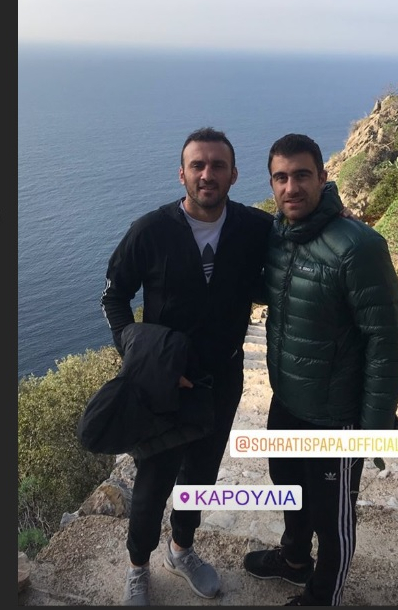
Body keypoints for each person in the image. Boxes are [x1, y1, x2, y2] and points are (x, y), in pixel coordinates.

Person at [100, 127, 273, 605]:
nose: (207, 174)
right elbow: (114, 297)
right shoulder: (150, 230)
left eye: (218, 165)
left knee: (201, 474)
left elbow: (302, 230)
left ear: (234, 175)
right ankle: (138, 567)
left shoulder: (255, 228)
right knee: (153, 480)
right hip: (164, 384)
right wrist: (142, 359)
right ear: (182, 174)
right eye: (198, 165)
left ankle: (181, 550)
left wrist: (335, 208)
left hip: (224, 379)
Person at [243, 133, 398, 607]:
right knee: (287, 486)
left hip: (337, 415)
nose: (290, 187)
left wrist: (373, 429)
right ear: (271, 184)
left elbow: (387, 342)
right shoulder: (278, 234)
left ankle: (324, 596)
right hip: (288, 399)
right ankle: (295, 560)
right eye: (280, 177)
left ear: (322, 176)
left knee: (331, 515)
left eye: (301, 175)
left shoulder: (359, 246)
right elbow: (271, 285)